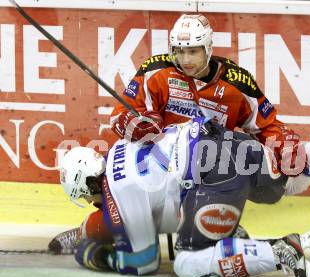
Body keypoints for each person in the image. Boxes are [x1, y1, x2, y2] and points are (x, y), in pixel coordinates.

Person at [53, 118, 310, 277]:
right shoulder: (121, 147)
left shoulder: (115, 191)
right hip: (228, 142)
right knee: (287, 185)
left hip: (211, 173)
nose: (94, 201)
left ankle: (287, 250)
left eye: (87, 196)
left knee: (186, 265)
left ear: (88, 185)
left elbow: (143, 263)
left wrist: (96, 256)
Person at [110, 14, 300, 176]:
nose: (185, 60)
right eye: (179, 51)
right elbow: (118, 116)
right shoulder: (155, 71)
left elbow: (266, 127)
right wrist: (134, 126)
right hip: (158, 164)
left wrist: (288, 149)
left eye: (193, 51)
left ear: (208, 48)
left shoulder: (237, 83)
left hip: (209, 170)